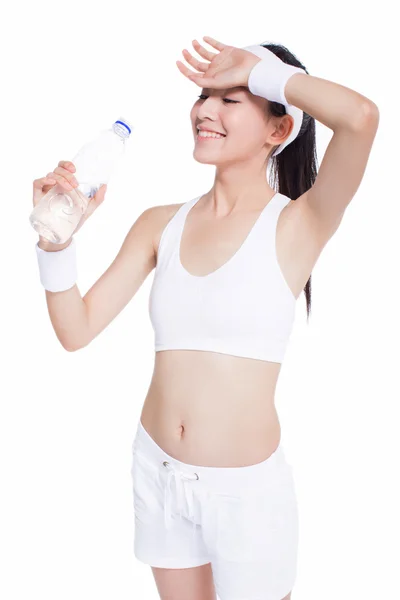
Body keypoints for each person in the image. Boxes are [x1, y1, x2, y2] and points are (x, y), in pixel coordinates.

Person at [34, 36, 379, 600]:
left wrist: (264, 72)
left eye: (232, 98)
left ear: (279, 129)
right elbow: (76, 330)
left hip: (246, 495)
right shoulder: (158, 224)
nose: (205, 110)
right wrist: (56, 243)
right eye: (203, 95)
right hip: (158, 472)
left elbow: (361, 118)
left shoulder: (299, 223)